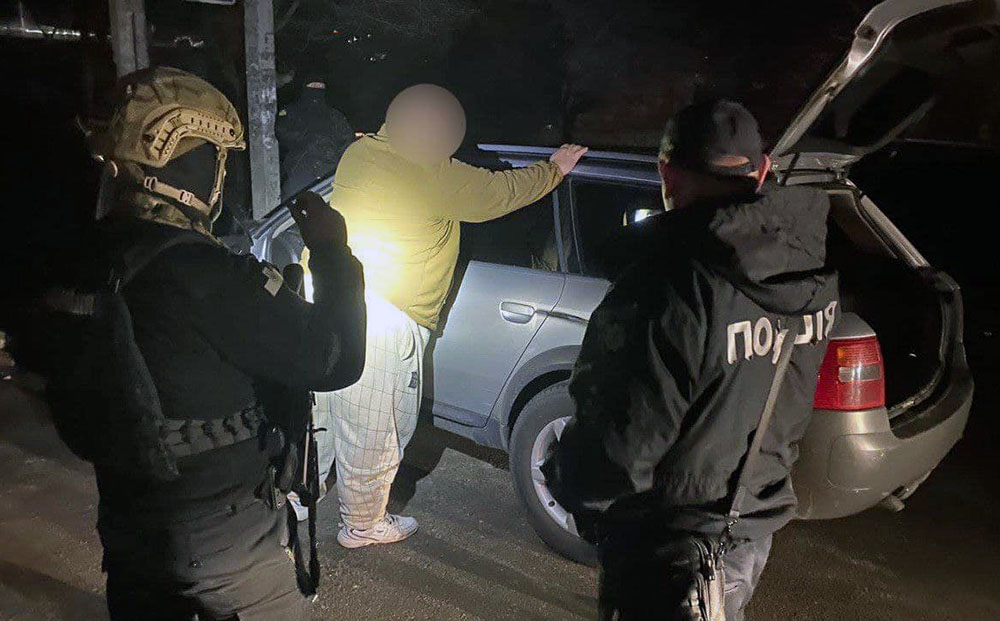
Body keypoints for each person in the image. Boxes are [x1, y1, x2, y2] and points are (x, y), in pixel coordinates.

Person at [63, 67, 365, 619]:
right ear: (197, 166)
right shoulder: (204, 275)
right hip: (223, 540)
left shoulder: (88, 255)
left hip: (128, 521)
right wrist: (334, 255)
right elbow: (336, 359)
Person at [543, 100, 839, 620]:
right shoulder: (814, 277)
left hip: (668, 551)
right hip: (747, 531)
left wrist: (567, 475)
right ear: (762, 171)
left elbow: (621, 447)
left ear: (667, 173)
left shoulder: (666, 284)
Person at [304, 83, 587, 548]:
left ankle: (297, 494)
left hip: (330, 298)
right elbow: (502, 192)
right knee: (377, 426)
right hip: (383, 313)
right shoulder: (432, 173)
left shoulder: (361, 153)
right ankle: (362, 525)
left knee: (325, 410)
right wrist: (554, 168)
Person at [275, 76, 355, 201]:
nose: (316, 89)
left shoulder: (334, 116)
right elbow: (282, 133)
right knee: (293, 204)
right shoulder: (291, 112)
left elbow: (348, 141)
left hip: (329, 173)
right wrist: (309, 140)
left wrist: (332, 153)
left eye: (320, 86)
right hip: (300, 169)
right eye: (313, 85)